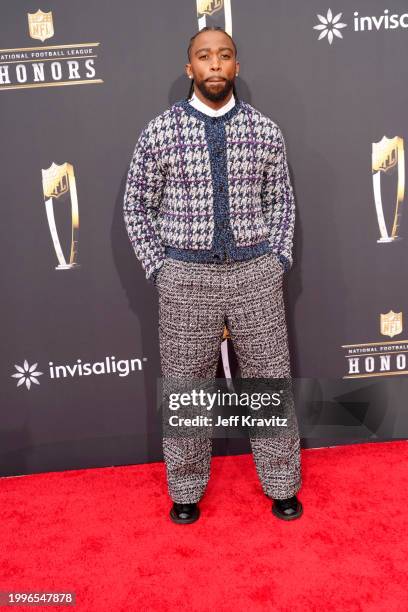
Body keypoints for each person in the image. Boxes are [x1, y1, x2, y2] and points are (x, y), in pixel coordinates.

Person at [123, 26, 303, 524]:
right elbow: (137, 206)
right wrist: (160, 267)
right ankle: (184, 490)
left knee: (269, 385)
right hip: (184, 279)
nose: (216, 65)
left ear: (237, 66)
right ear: (190, 68)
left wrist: (277, 260)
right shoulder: (159, 132)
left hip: (256, 275)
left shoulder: (265, 130)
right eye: (205, 57)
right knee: (187, 390)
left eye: (225, 55)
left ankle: (283, 485)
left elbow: (281, 201)